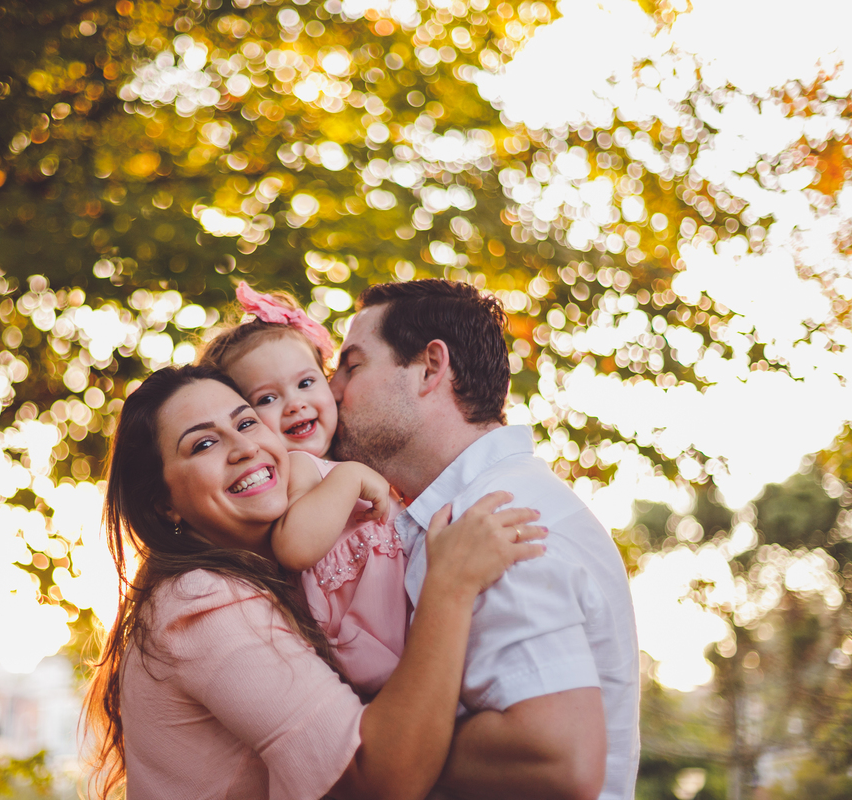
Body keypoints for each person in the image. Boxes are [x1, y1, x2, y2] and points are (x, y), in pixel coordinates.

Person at [82, 364, 548, 800]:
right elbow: (378, 776)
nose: (244, 448)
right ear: (165, 504)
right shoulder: (199, 601)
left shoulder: (277, 575)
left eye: (246, 423)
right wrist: (448, 588)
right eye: (203, 444)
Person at [330, 279, 640, 800]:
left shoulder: (496, 516)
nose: (330, 390)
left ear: (430, 367)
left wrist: (369, 743)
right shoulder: (478, 507)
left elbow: (557, 757)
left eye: (351, 366)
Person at [200, 282, 410, 696]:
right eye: (267, 399)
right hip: (370, 660)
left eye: (306, 383)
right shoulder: (300, 467)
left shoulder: (349, 462)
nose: (294, 404)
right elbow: (294, 547)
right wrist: (350, 478)